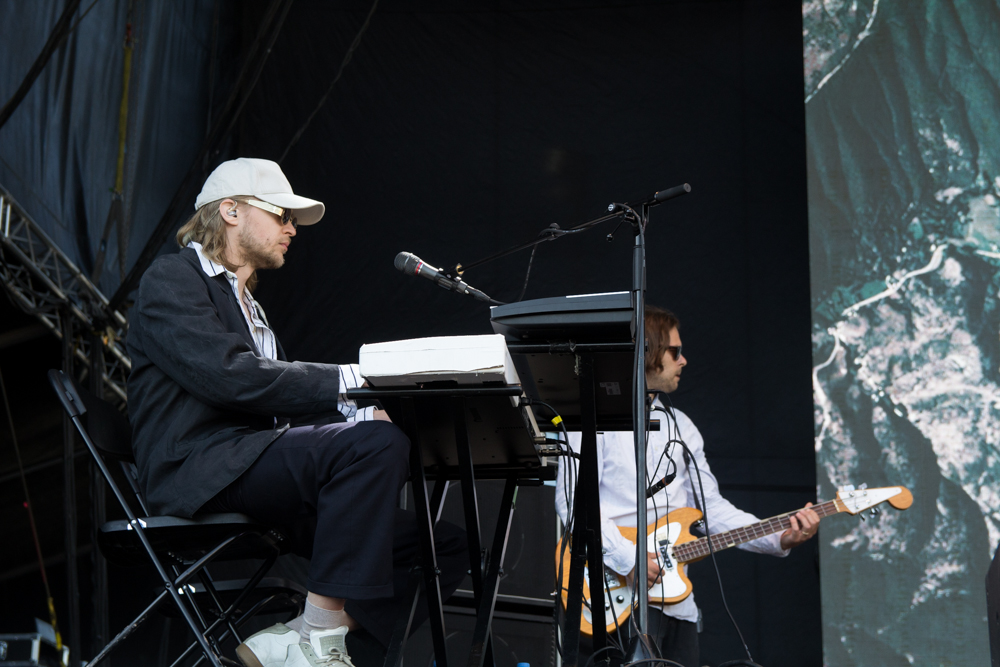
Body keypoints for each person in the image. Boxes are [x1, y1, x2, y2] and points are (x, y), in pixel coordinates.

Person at [126, 158, 466, 667]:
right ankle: (319, 637)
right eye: (281, 214)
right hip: (200, 472)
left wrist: (357, 418)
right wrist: (353, 383)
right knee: (374, 443)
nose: (291, 228)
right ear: (231, 211)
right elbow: (230, 377)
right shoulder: (172, 277)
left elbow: (275, 414)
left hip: (252, 468)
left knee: (446, 549)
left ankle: (299, 638)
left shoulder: (251, 308)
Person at [555, 305, 818, 667]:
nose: (684, 360)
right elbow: (574, 502)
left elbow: (711, 510)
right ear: (646, 351)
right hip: (609, 593)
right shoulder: (592, 419)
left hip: (677, 604)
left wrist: (779, 536)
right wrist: (626, 558)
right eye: (675, 351)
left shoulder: (681, 425)